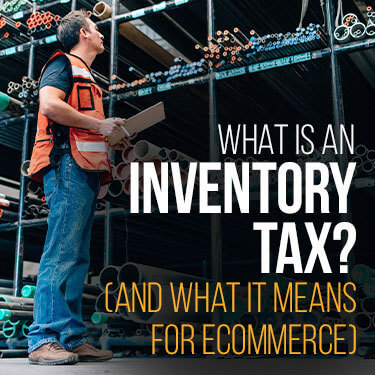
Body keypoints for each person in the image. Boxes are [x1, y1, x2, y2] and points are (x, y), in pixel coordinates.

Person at [27, 10, 127, 365]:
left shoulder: (87, 76)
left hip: (83, 171)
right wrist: (99, 127)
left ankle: (70, 338)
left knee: (78, 257)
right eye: (97, 30)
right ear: (84, 33)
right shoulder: (63, 65)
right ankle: (44, 337)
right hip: (66, 165)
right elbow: (50, 105)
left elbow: (87, 129)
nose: (102, 35)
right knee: (61, 253)